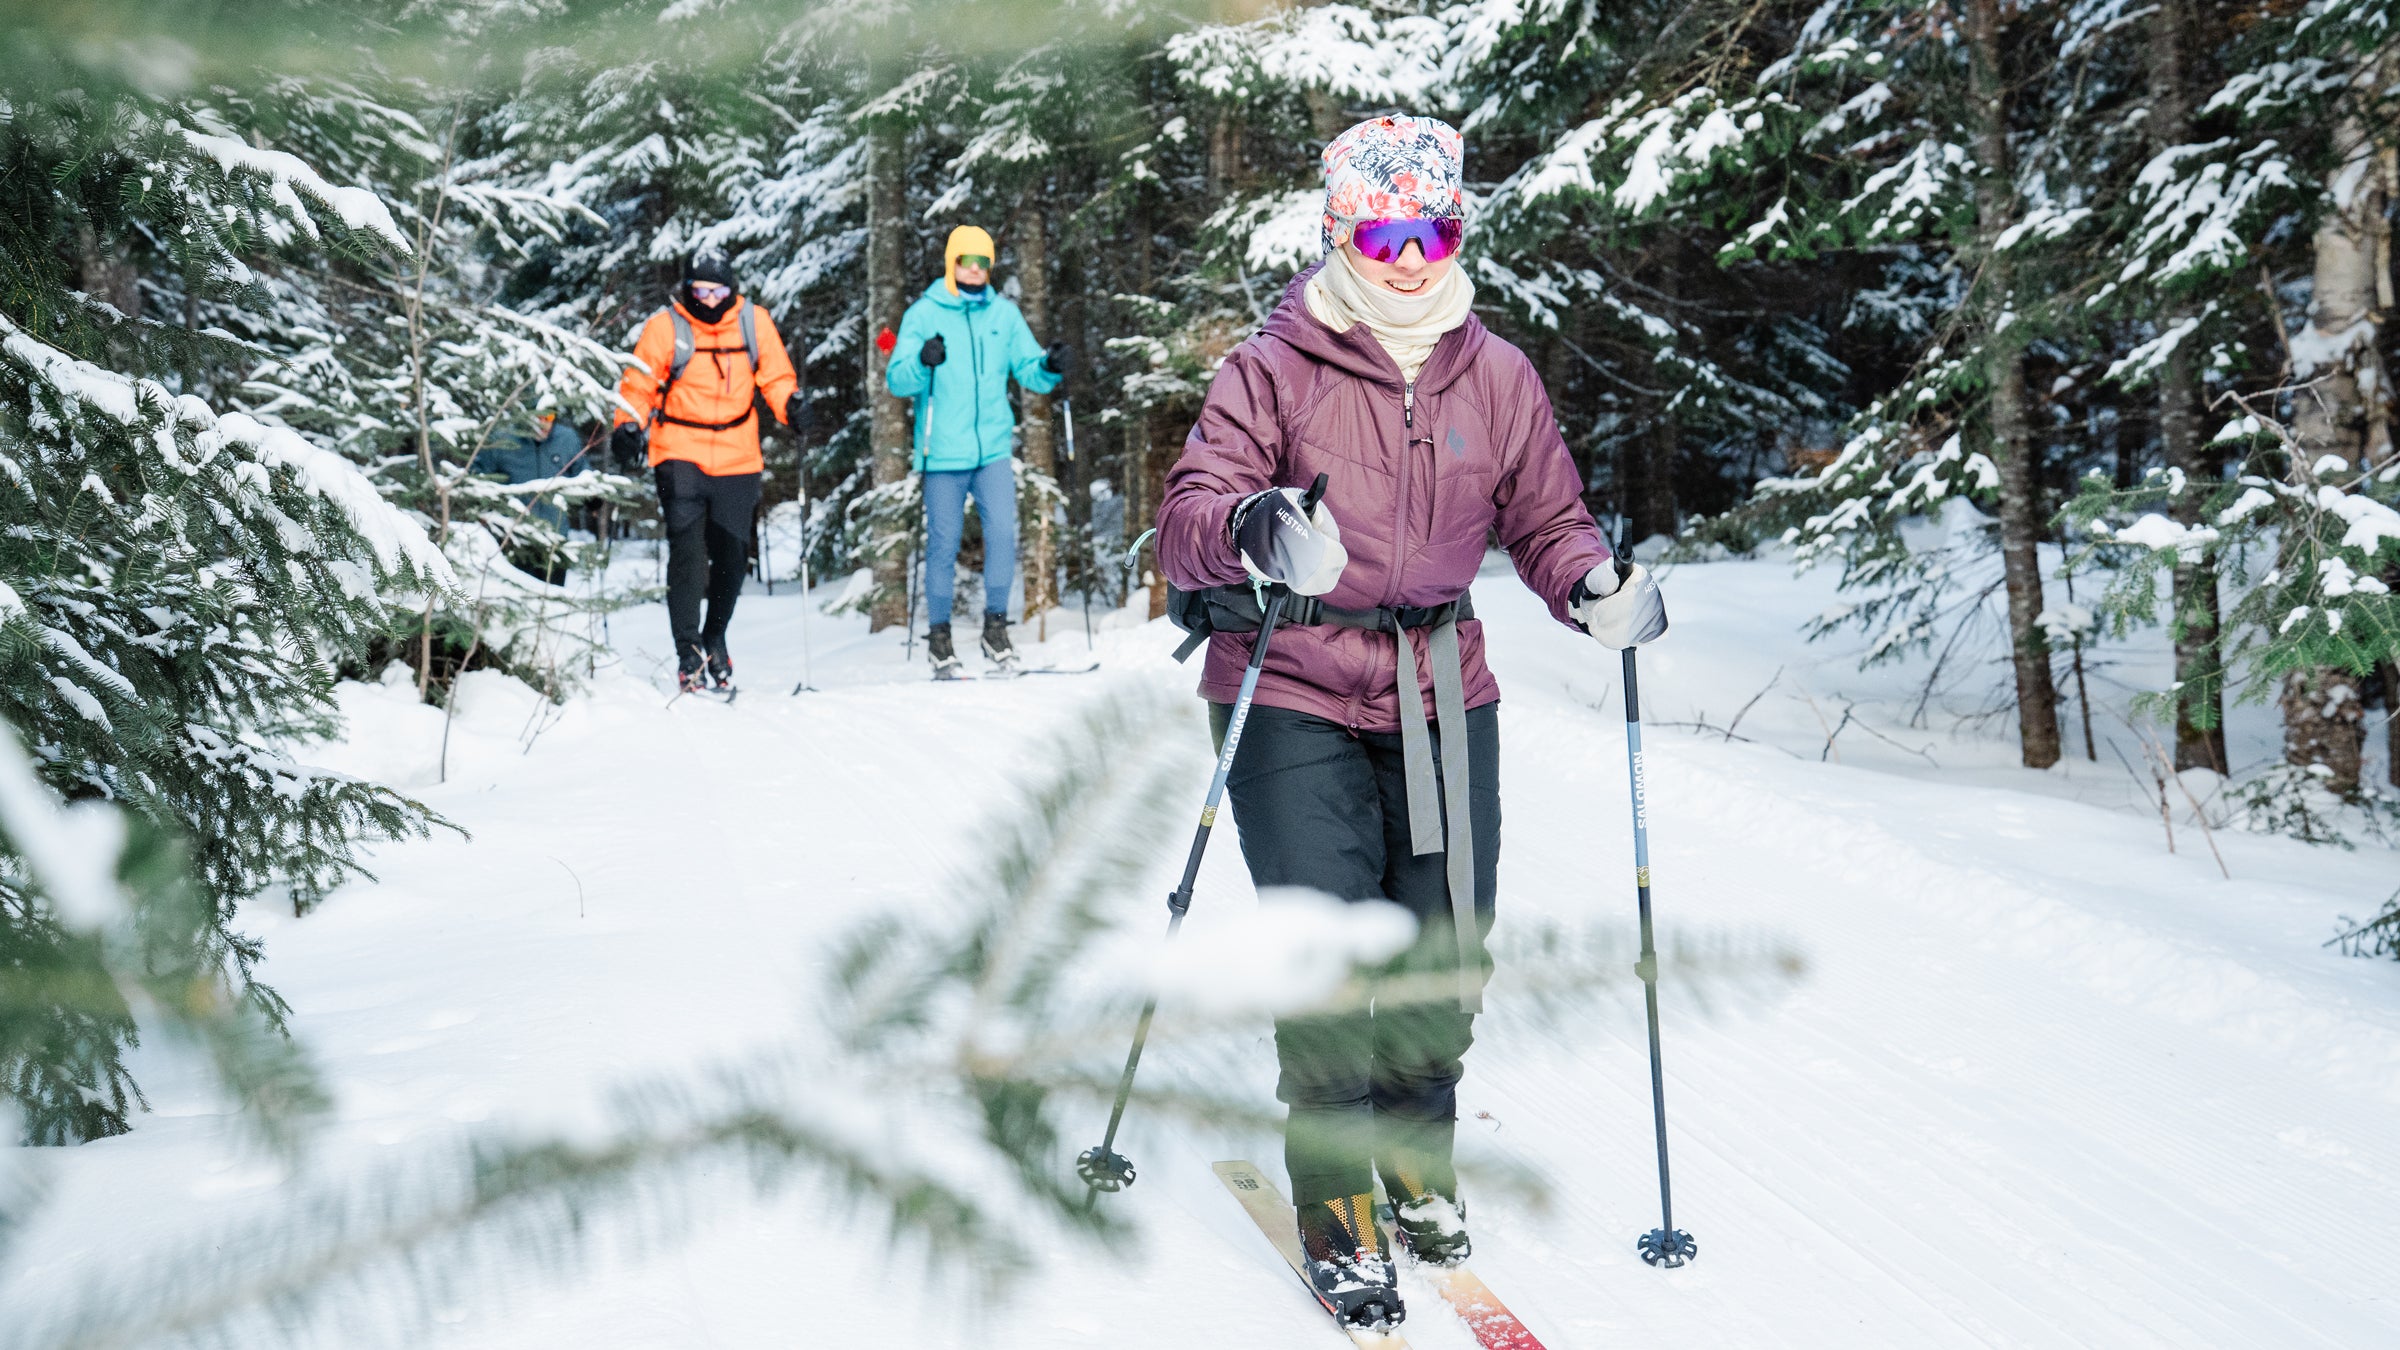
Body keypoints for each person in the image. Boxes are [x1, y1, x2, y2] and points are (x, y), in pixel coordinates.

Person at [1155, 114, 1668, 1332]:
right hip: (1287, 679)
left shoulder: (1495, 373)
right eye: (1384, 231)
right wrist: (1256, 529)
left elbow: (1548, 519)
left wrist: (1594, 585)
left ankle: (1414, 1158)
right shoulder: (1270, 367)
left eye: (1432, 229)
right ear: (1341, 229)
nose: (1409, 256)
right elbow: (1190, 511)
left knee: (1444, 947)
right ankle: (1336, 1201)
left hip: (1441, 682)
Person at [611, 249, 806, 694]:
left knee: (733, 556)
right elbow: (638, 384)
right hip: (680, 450)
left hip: (738, 454)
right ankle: (689, 652)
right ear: (687, 289)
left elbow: (775, 377)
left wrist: (791, 406)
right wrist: (628, 425)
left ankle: (715, 636)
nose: (711, 299)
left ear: (731, 288)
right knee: (688, 553)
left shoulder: (753, 322)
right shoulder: (666, 327)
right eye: (701, 290)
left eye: (719, 290)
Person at [884, 225, 1072, 678]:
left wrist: (1050, 365)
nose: (974, 270)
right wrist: (921, 359)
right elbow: (898, 379)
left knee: (1003, 536)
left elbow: (1030, 369)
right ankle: (941, 637)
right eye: (967, 261)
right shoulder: (924, 314)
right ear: (952, 263)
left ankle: (995, 629)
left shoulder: (1002, 316)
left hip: (991, 450)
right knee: (944, 544)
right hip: (942, 454)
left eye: (983, 263)